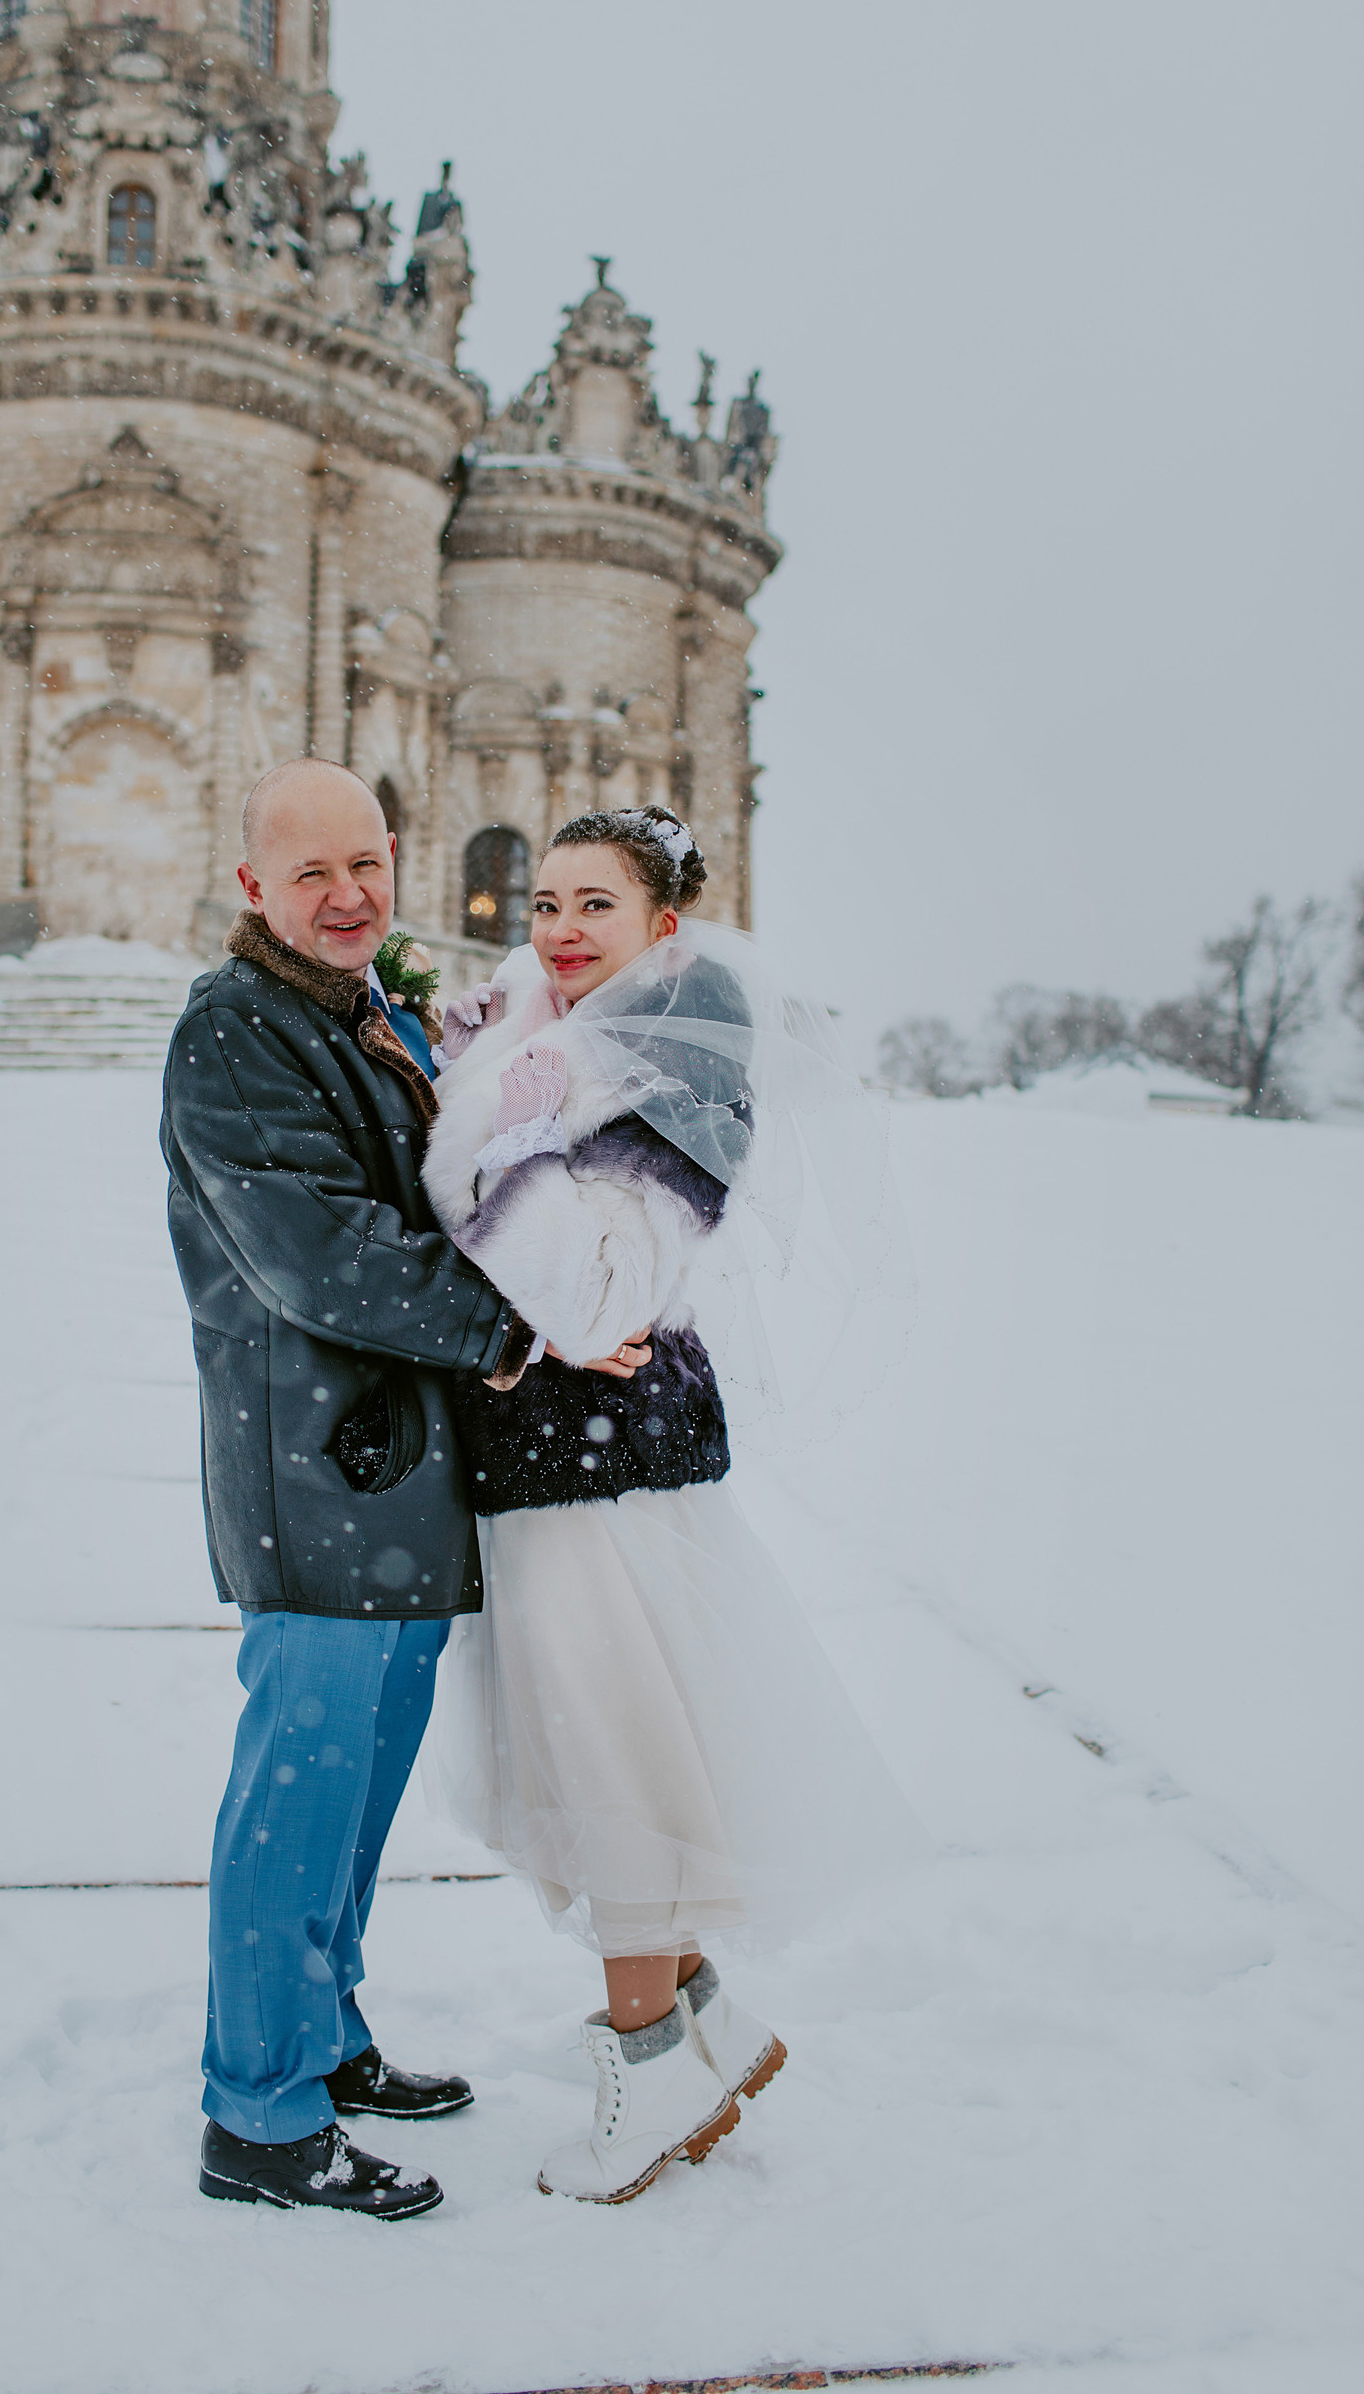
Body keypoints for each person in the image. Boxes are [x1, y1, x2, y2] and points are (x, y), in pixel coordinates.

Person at [159, 758, 650, 2219]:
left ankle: (325, 2041)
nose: (349, 893)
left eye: (366, 861)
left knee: (354, 1799)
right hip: (316, 1477)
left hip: (399, 1468)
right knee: (295, 1800)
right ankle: (258, 2115)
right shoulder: (235, 1033)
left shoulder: (361, 1011)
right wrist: (528, 1324)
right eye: (311, 872)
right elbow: (323, 1256)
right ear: (254, 886)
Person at [421, 804, 923, 2205]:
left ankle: (647, 2071)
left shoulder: (667, 1080)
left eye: (598, 905)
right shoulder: (540, 1044)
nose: (564, 930)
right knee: (589, 1754)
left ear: (665, 927)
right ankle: (710, 2025)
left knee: (612, 1766)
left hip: (598, 1469)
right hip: (548, 1457)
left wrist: (478, 1156)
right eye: (548, 904)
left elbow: (599, 1289)